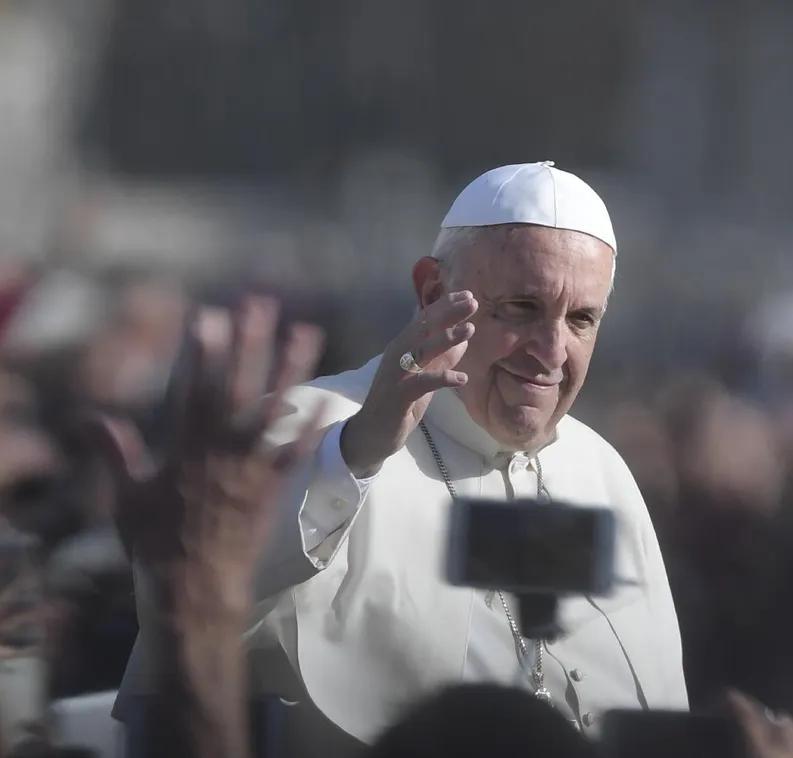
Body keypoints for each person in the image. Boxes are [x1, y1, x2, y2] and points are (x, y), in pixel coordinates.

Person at [115, 162, 688, 756]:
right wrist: (352, 458)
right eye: (521, 308)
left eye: (581, 320)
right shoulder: (310, 427)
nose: (551, 353)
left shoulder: (602, 471)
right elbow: (190, 623)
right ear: (433, 293)